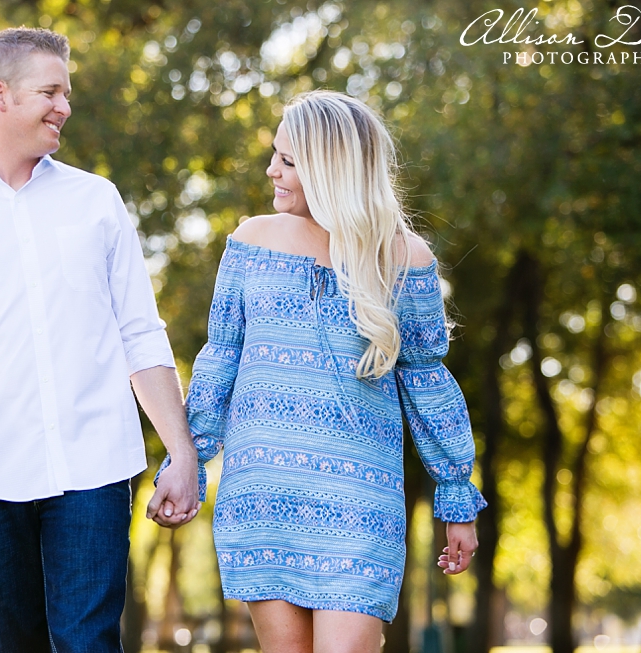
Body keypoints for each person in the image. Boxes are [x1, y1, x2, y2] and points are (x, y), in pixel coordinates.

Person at [0, 27, 198, 653]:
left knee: (87, 643)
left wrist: (179, 451)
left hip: (95, 468)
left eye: (66, 92)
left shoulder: (96, 201)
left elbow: (141, 332)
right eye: (50, 91)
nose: (64, 107)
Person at [159, 90, 487, 652]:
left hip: (361, 499)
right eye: (275, 155)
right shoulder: (249, 241)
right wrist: (189, 458)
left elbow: (427, 380)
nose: (271, 170)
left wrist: (456, 492)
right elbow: (220, 360)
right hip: (264, 490)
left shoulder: (404, 257)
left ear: (331, 169)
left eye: (287, 161)